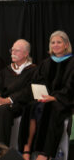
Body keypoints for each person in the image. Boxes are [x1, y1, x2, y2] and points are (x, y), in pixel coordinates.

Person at [19, 31, 74, 160]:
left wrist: (54, 97)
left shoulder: (72, 63)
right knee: (29, 107)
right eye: (53, 42)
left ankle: (45, 153)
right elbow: (37, 81)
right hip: (45, 98)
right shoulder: (46, 63)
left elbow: (71, 87)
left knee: (51, 108)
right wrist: (41, 94)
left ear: (66, 45)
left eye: (59, 42)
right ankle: (27, 148)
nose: (55, 45)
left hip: (62, 100)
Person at [0, 39, 36, 157]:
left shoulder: (33, 70)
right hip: (3, 103)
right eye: (12, 50)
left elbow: (28, 91)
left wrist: (8, 99)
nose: (12, 53)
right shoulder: (5, 71)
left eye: (17, 51)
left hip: (21, 104)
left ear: (26, 54)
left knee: (4, 109)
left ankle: (3, 149)